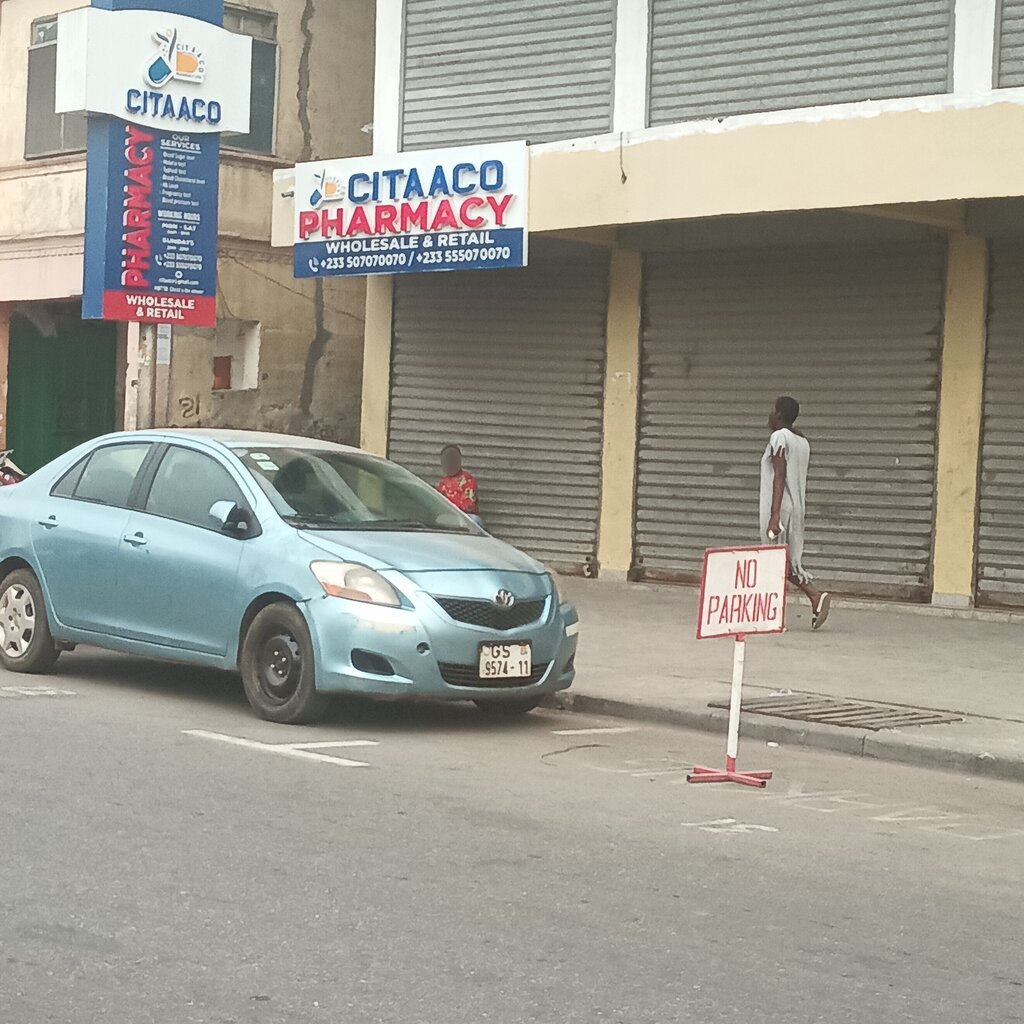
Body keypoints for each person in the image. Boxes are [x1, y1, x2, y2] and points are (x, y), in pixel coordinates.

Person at [760, 396, 831, 630]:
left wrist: (774, 515)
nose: (769, 415)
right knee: (782, 561)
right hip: (796, 507)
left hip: (781, 507)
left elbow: (779, 475)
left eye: (772, 411)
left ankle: (810, 596)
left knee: (775, 560)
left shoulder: (779, 437)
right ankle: (802, 602)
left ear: (779, 415)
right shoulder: (802, 441)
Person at [437, 444, 479, 516]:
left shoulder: (467, 480)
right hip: (448, 516)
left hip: (466, 517)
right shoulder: (443, 483)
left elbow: (469, 506)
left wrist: (451, 507)